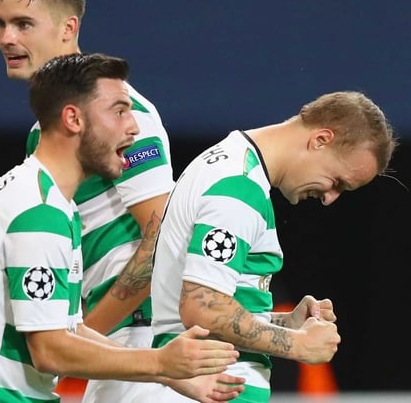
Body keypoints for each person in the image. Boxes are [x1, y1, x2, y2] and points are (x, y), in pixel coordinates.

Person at [0, 0, 233, 402]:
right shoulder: (44, 132)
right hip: (122, 355)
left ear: (68, 28)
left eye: (24, 24)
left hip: (143, 344)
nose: (7, 38)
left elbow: (163, 238)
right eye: (1, 24)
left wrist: (74, 340)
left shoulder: (122, 115)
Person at [0, 52, 244, 403]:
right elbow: (50, 351)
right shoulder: (38, 213)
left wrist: (172, 375)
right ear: (73, 118)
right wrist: (158, 360)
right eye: (118, 111)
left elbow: (69, 329)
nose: (133, 126)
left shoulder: (54, 204)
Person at [147, 90, 396, 402]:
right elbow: (203, 309)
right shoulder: (238, 187)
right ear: (320, 139)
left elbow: (207, 303)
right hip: (204, 388)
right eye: (337, 182)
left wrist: (284, 323)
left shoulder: (231, 166)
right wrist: (298, 344)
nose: (330, 198)